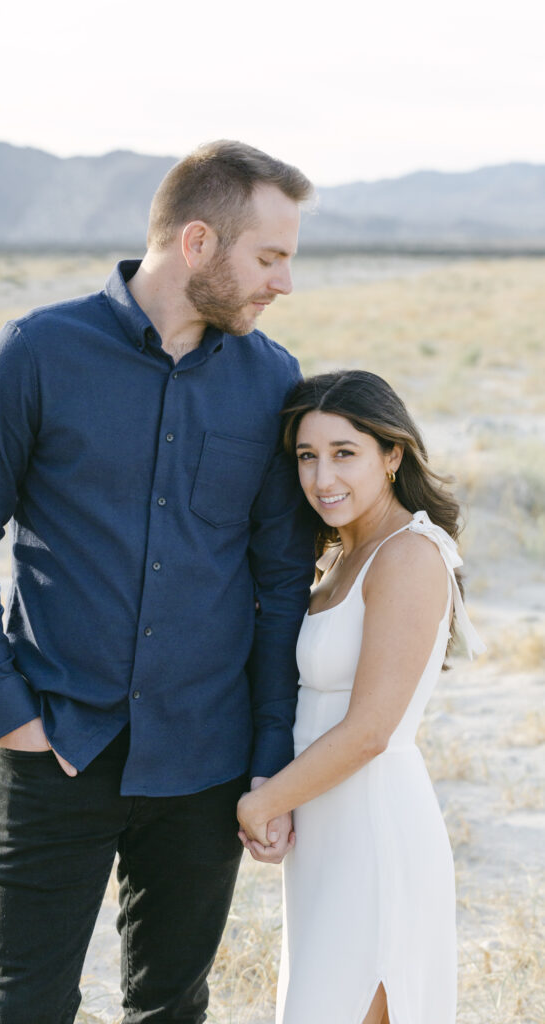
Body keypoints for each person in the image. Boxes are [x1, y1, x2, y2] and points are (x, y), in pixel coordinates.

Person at [0, 141, 316, 1024]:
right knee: (24, 1005)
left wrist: (266, 757)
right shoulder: (35, 352)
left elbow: (280, 580)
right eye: (271, 256)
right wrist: (5, 707)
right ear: (198, 243)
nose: (284, 283)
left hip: (205, 763)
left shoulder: (272, 380)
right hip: (57, 743)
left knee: (172, 1005)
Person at [236, 370, 485, 1024]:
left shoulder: (408, 555)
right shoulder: (339, 558)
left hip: (375, 834)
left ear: (392, 454)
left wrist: (264, 802)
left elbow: (372, 728)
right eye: (307, 457)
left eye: (344, 453)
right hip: (323, 834)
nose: (323, 479)